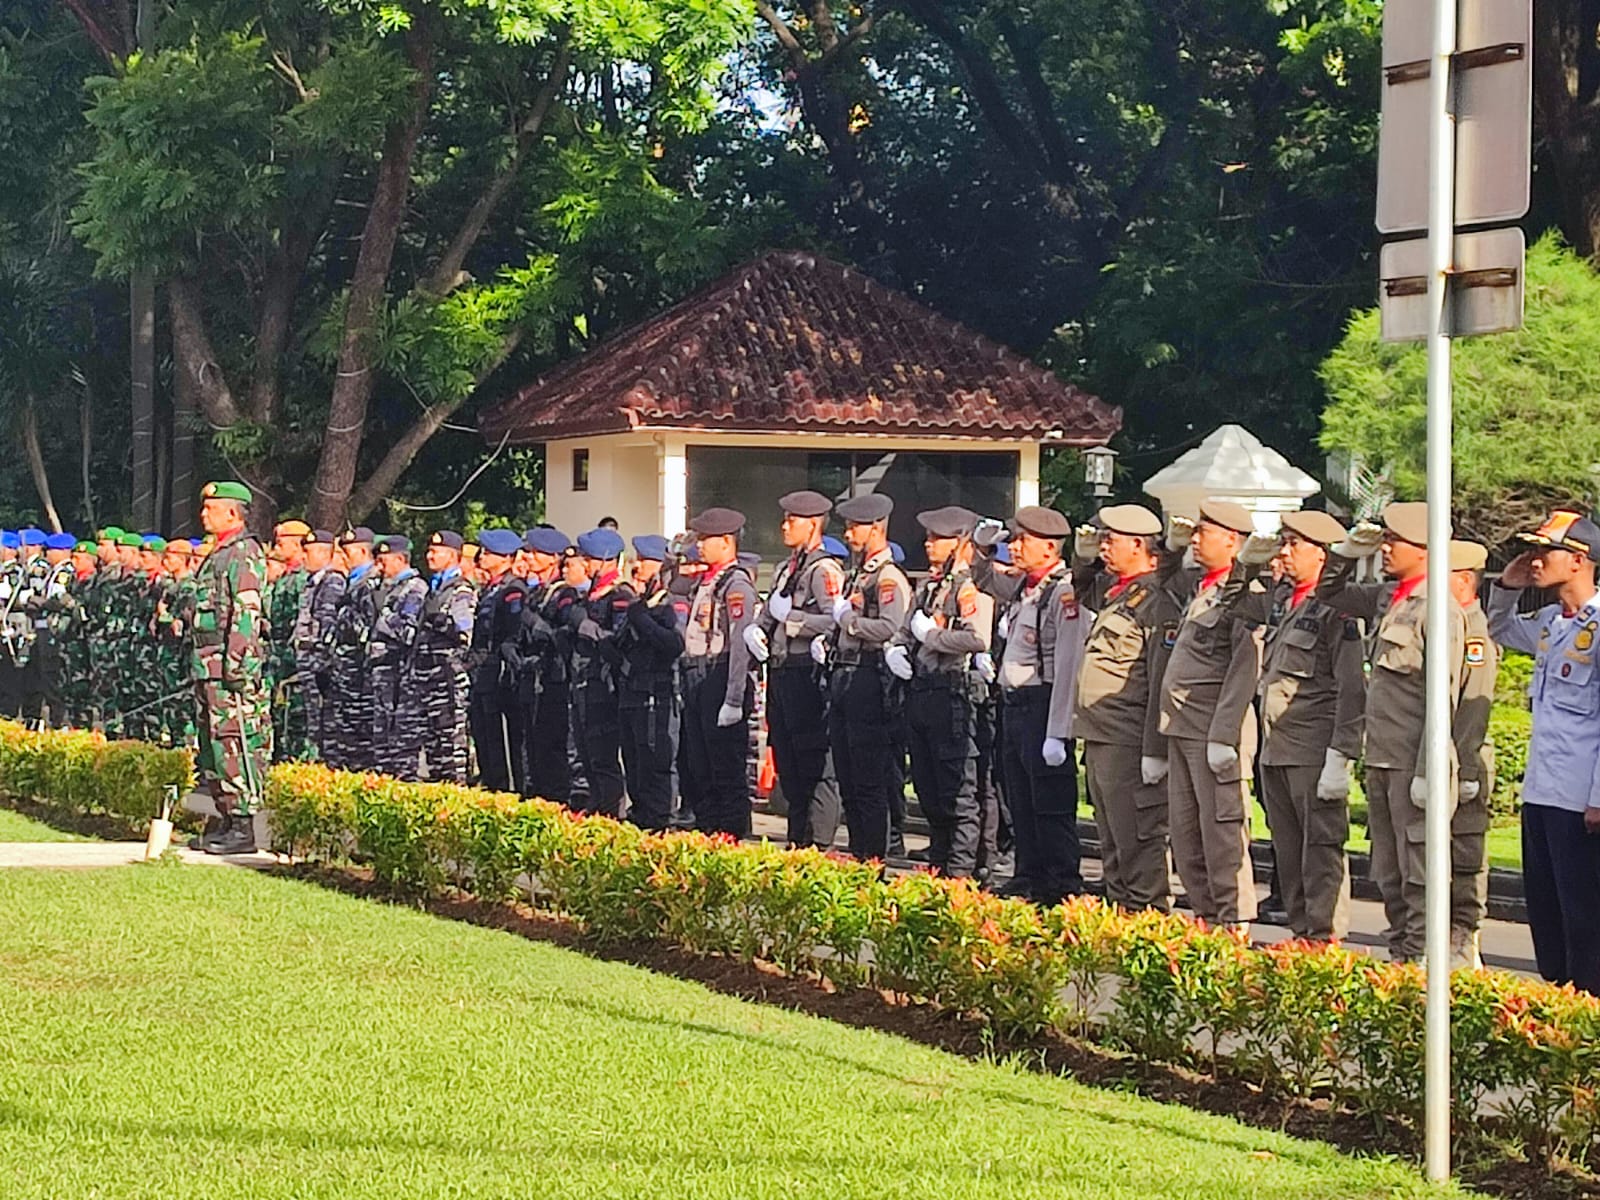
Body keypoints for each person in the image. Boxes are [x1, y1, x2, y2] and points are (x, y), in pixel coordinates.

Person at [1317, 502, 1462, 962]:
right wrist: (1342, 552)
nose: (1385, 549)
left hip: (1411, 761)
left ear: (1424, 549)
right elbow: (1328, 592)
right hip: (1380, 757)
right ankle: (1402, 950)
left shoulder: (1438, 609)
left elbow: (1445, 696)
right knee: (1389, 870)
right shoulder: (1388, 597)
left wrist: (1428, 768)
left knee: (1419, 868)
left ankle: (1422, 960)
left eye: (1394, 541)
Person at [1224, 509, 1363, 942]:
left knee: (1320, 849)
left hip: (1313, 748)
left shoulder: (1337, 610)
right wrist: (1245, 563)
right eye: (1283, 542)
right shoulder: (1284, 599)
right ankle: (1302, 930)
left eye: (1294, 544)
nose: (1284, 552)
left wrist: (1341, 754)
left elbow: (1351, 687)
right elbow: (1233, 602)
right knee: (1288, 850)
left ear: (1322, 556)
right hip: (1278, 746)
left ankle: (1323, 937)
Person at [1488, 510, 1600, 995]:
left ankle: (1586, 1008)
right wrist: (1508, 587)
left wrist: (1598, 797)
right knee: (1546, 908)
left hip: (1581, 796)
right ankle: (1557, 1000)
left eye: (1544, 551)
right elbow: (1497, 628)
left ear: (1578, 561)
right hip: (1543, 788)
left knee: (1584, 914)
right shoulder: (1552, 622)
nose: (1534, 560)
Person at [1158, 499, 1264, 930]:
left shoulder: (1247, 597)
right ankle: (1205, 914)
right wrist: (1172, 543)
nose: (1195, 540)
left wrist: (1224, 735)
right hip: (1183, 728)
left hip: (1214, 730)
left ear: (1232, 541)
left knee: (1222, 832)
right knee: (1186, 833)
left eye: (1204, 533)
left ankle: (1233, 921)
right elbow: (1161, 578)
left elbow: (1244, 667)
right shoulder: (1203, 588)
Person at [1072, 504, 1179, 913]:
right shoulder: (1119, 593)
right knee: (1112, 839)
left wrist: (1155, 748)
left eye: (1110, 539)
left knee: (1139, 837)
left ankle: (1146, 919)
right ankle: (1122, 914)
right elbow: (1081, 587)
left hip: (1129, 738)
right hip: (1101, 734)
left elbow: (1158, 678)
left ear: (1138, 545)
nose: (1103, 547)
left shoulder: (1156, 600)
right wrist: (1082, 557)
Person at [980, 505, 1088, 903]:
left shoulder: (1062, 592)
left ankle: (1060, 884)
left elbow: (1067, 664)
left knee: (1049, 805)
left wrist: (1059, 731)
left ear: (1048, 548)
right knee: (1019, 799)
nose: (1015, 547)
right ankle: (1029, 874)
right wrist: (981, 547)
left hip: (1043, 705)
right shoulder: (1027, 587)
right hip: (1015, 704)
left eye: (1023, 540)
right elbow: (983, 578)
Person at [890, 505, 993, 878]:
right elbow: (906, 627)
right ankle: (938, 860)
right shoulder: (931, 584)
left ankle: (960, 871)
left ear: (960, 543)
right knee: (928, 787)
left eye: (938, 538)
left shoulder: (968, 587)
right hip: (922, 690)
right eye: (929, 537)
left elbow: (976, 637)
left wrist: (930, 636)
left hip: (953, 692)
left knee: (957, 792)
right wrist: (897, 647)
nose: (929, 544)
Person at [746, 490, 846, 850]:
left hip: (807, 673)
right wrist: (758, 627)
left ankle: (818, 843)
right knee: (788, 762)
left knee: (814, 763)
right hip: (783, 671)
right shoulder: (789, 567)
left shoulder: (824, 569)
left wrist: (792, 621)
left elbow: (836, 621)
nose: (784, 526)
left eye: (793, 520)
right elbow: (772, 609)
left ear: (814, 524)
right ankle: (797, 838)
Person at [823, 494, 911, 862]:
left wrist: (849, 622)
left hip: (868, 678)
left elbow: (889, 626)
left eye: (855, 526)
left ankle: (873, 859)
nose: (849, 533)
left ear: (876, 528)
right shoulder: (862, 574)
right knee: (848, 776)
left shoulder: (888, 577)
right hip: (845, 675)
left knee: (868, 779)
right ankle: (859, 852)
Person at [189, 481, 271, 855]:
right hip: (208, 666)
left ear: (233, 513)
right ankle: (225, 816)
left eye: (211, 508)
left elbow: (246, 615)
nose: (204, 514)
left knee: (235, 741)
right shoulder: (217, 553)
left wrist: (236, 667)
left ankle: (244, 825)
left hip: (229, 670)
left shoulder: (243, 553)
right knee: (213, 746)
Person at [679, 507, 760, 836]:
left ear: (726, 542)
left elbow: (740, 644)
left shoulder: (736, 583)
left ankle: (730, 840)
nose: (698, 545)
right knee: (700, 769)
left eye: (705, 539)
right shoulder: (707, 580)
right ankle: (708, 834)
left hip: (720, 674)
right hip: (698, 676)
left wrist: (734, 697)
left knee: (725, 771)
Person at [1448, 539, 1498, 968]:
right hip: (1438, 755)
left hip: (1464, 758)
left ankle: (1463, 935)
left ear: (1463, 580)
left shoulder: (1474, 633)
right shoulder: (1445, 623)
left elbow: (1473, 705)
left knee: (1463, 852)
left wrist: (1463, 767)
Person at [615, 535, 684, 830]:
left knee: (657, 760)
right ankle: (642, 813)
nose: (637, 566)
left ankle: (660, 819)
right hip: (633, 691)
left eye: (644, 561)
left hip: (658, 693)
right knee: (634, 760)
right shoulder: (642, 602)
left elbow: (673, 643)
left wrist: (642, 619)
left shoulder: (672, 603)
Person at [567, 527, 634, 817]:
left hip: (604, 686)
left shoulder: (620, 594)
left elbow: (617, 640)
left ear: (605, 559)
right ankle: (597, 804)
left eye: (589, 558)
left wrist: (585, 627)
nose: (585, 563)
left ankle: (610, 812)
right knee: (587, 754)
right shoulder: (592, 595)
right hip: (583, 682)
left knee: (603, 756)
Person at [515, 527, 578, 803]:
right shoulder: (536, 592)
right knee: (533, 747)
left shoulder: (564, 593)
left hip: (555, 680)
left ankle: (556, 801)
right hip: (533, 677)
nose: (527, 557)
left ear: (553, 558)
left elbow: (566, 634)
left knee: (552, 747)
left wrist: (541, 627)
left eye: (533, 553)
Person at [409, 531, 476, 783]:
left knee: (452, 749)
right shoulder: (433, 590)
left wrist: (442, 622)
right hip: (428, 679)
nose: (430, 555)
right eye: (429, 551)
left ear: (452, 556)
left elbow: (464, 632)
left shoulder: (460, 590)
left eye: (436, 552)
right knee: (433, 750)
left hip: (448, 679)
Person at [467, 529, 527, 792]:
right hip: (482, 674)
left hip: (499, 676)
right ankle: (492, 787)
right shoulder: (490, 589)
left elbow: (511, 634)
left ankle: (506, 793)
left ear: (505, 558)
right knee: (484, 739)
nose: (483, 556)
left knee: (500, 742)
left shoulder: (513, 590)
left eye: (489, 552)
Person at [368, 535, 428, 780]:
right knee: (382, 742)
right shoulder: (385, 587)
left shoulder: (415, 588)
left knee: (401, 743)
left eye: (384, 561)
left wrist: (384, 614)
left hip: (399, 673)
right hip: (381, 673)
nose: (380, 568)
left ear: (401, 559)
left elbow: (407, 632)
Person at [326, 528, 380, 771]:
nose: (343, 557)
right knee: (345, 733)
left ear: (361, 551)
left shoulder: (371, 584)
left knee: (361, 734)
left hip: (361, 672)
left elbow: (369, 629)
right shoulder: (353, 582)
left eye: (347, 552)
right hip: (345, 670)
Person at [292, 530, 346, 760]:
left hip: (319, 662)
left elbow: (328, 625)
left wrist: (324, 663)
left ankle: (325, 763)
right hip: (307, 660)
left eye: (308, 551)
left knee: (323, 719)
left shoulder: (332, 581)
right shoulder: (312, 582)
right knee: (311, 718)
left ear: (324, 553)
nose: (303, 556)